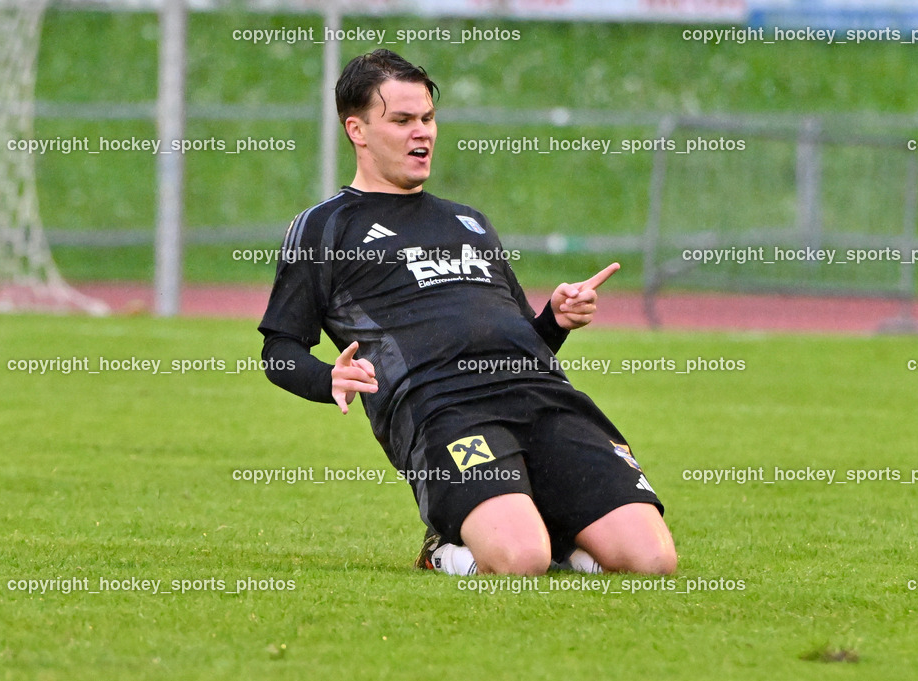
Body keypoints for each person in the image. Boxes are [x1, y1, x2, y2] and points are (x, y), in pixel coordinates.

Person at [259, 49, 676, 576]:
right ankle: (447, 549)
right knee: (520, 561)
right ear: (357, 130)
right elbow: (280, 351)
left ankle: (554, 534)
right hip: (445, 411)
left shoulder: (468, 222)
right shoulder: (325, 229)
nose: (423, 133)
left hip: (543, 395)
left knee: (652, 561)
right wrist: (329, 378)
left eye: (428, 119)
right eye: (403, 120)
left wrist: (555, 318)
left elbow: (525, 337)